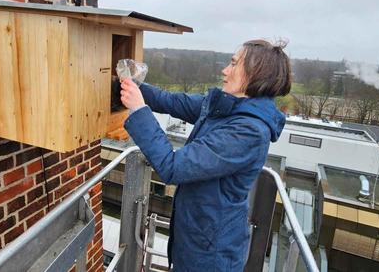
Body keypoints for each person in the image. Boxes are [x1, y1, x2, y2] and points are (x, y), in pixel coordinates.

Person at [120, 39, 291, 271]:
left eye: (233, 64)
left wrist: (139, 110)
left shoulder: (248, 131)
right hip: (197, 238)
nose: (225, 70)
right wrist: (133, 86)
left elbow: (172, 167)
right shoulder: (227, 108)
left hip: (210, 256)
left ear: (255, 75)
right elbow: (172, 102)